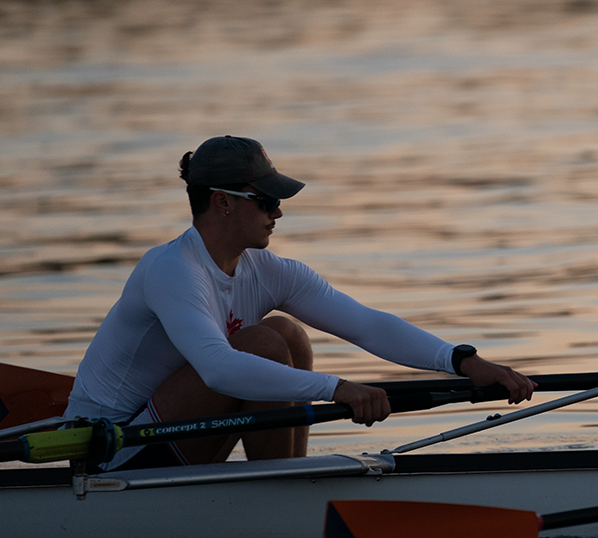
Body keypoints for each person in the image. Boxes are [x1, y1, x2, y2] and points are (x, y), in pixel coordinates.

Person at [66, 135, 535, 470]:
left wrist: (464, 361)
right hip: (109, 449)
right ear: (222, 203)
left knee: (288, 333)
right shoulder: (171, 270)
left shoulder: (268, 271)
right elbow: (218, 369)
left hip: (169, 432)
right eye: (266, 200)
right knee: (260, 344)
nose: (278, 212)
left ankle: (284, 478)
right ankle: (280, 498)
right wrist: (337, 389)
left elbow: (366, 325)